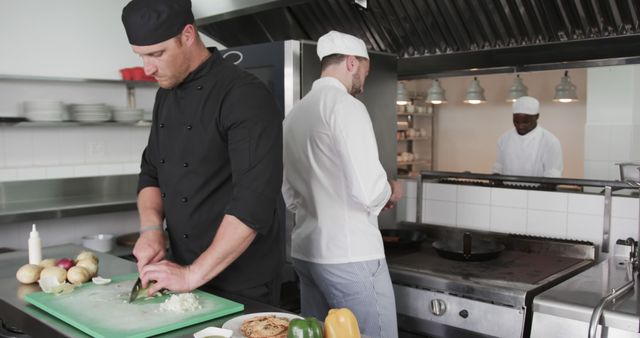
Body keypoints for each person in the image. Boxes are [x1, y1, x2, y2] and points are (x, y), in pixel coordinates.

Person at [121, 0, 284, 304]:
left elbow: (254, 202)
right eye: (141, 56)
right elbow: (152, 172)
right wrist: (152, 228)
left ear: (187, 35)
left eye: (156, 54)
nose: (147, 68)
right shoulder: (165, 96)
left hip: (241, 279)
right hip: (181, 270)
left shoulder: (243, 95)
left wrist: (192, 275)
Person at [282, 30, 402, 338]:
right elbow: (370, 191)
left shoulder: (295, 113)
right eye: (365, 69)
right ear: (352, 62)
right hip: (351, 257)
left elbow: (290, 195)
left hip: (307, 253)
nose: (365, 78)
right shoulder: (347, 107)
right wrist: (390, 189)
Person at [493, 96, 563, 177]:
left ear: (537, 117)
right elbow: (499, 166)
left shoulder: (550, 142)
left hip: (537, 189)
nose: (520, 126)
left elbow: (552, 174)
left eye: (525, 122)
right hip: (507, 189)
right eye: (516, 122)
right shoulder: (504, 139)